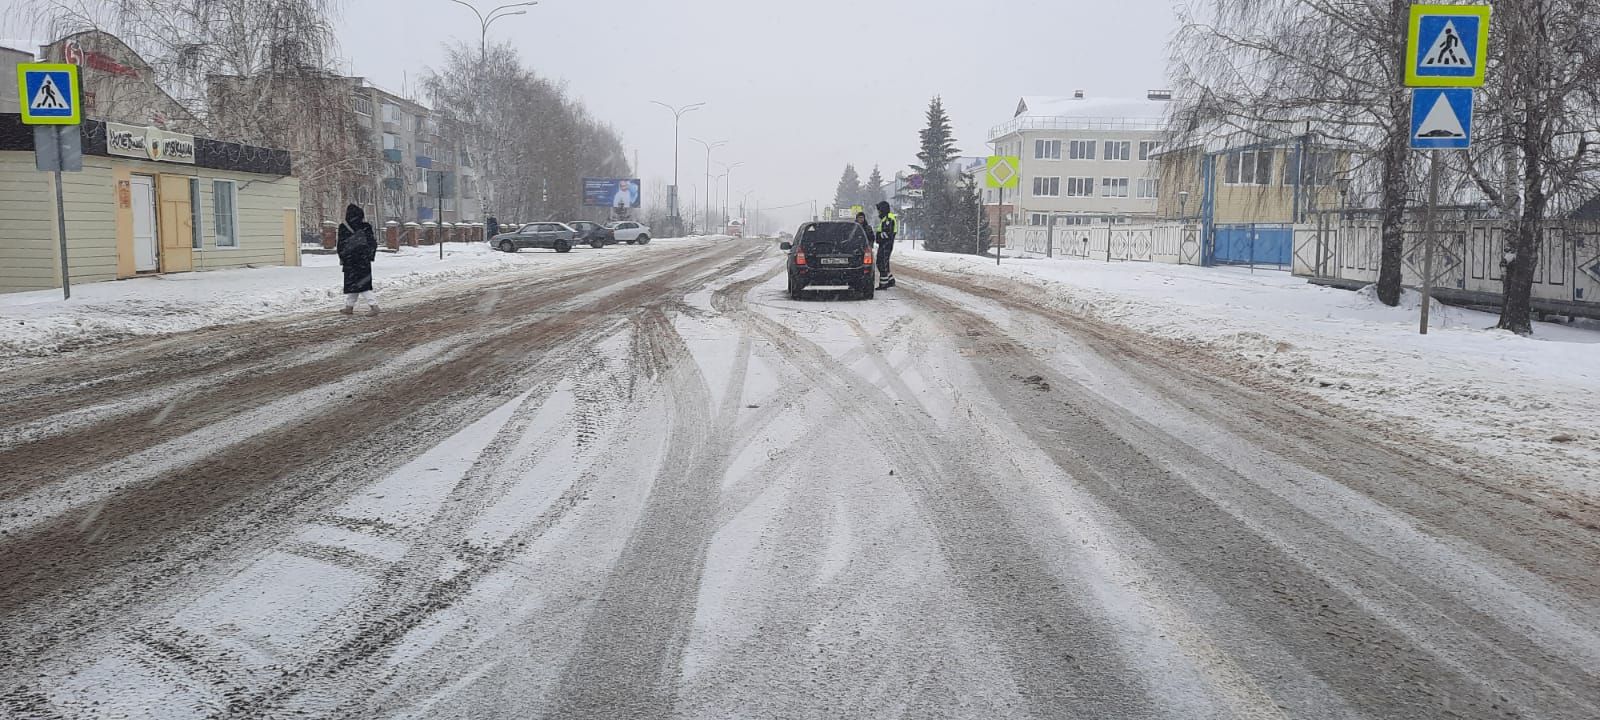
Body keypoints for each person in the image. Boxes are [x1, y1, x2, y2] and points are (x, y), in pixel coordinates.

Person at [337, 204, 380, 316]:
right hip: (363, 260)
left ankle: (374, 306)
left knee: (361, 284)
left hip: (351, 261)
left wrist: (342, 257)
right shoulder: (366, 226)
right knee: (357, 284)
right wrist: (369, 256)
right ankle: (349, 307)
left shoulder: (344, 227)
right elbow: (372, 243)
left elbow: (340, 245)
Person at [875, 200, 898, 289]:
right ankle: (890, 280)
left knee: (881, 263)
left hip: (886, 245)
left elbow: (887, 234)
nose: (878, 212)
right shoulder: (886, 218)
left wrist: (878, 237)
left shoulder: (888, 219)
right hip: (885, 244)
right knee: (884, 263)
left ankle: (883, 284)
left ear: (883, 210)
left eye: (879, 210)